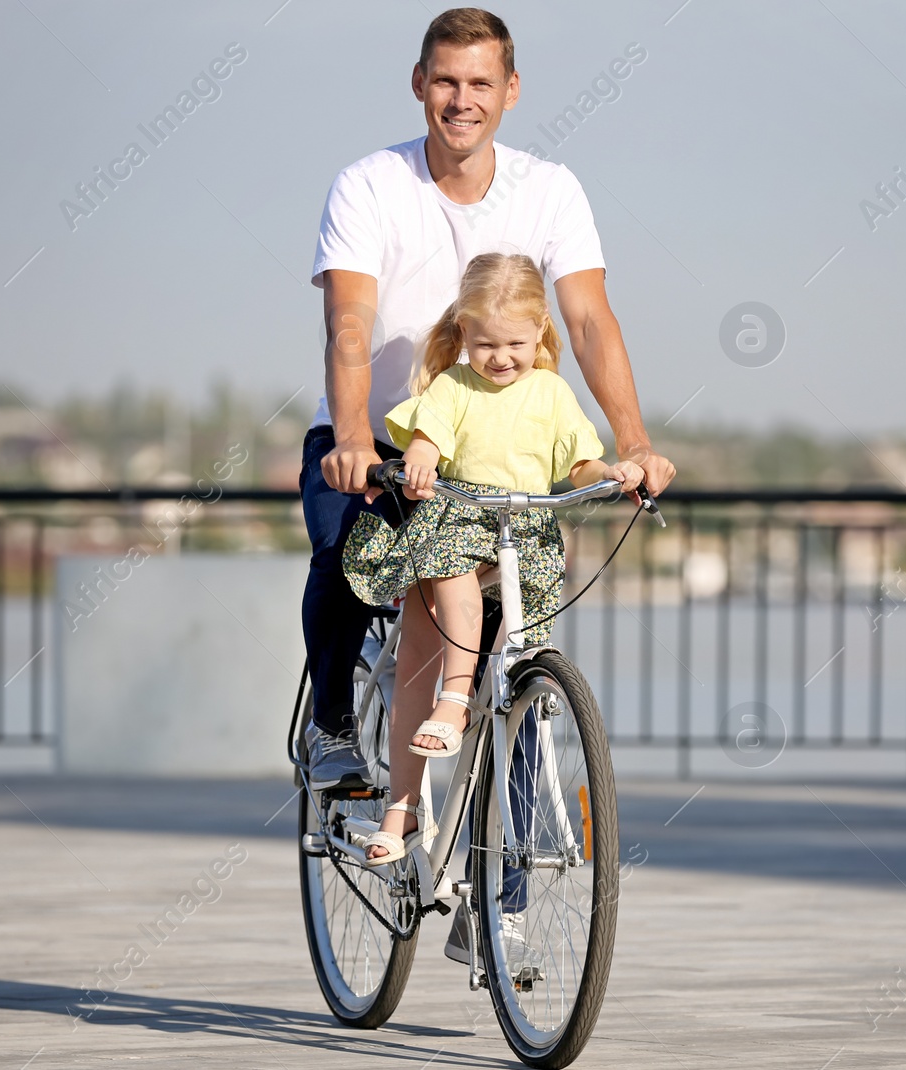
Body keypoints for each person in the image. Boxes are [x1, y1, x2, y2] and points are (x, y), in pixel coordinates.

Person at [301, 7, 675, 793]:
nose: (461, 98)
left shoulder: (551, 190)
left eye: (480, 82)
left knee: (509, 631)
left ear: (510, 91)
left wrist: (633, 443)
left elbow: (589, 321)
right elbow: (349, 327)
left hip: (503, 456)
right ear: (418, 84)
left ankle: (501, 860)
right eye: (445, 80)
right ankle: (331, 721)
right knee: (345, 554)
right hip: (384, 446)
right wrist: (354, 440)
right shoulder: (369, 185)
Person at [342, 253, 642, 864]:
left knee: (516, 650)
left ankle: (486, 738)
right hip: (455, 518)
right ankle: (407, 795)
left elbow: (576, 462)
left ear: (540, 335)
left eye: (514, 343)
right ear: (463, 338)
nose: (500, 357)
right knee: (424, 653)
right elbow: (428, 437)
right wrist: (422, 457)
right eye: (484, 344)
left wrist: (609, 473)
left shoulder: (551, 393)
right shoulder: (453, 386)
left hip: (522, 531)